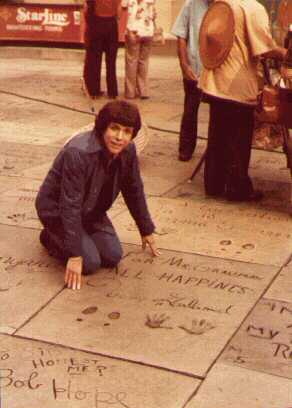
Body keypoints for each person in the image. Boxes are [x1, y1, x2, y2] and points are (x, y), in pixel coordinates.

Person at [35, 100, 160, 291]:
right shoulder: (78, 152)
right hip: (57, 210)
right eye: (114, 128)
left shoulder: (128, 150)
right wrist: (75, 254)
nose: (120, 137)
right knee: (90, 263)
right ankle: (50, 236)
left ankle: (76, 236)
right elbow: (70, 205)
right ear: (103, 128)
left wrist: (146, 228)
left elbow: (134, 189)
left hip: (91, 210)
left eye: (127, 131)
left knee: (113, 255)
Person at [199, 0, 287, 201]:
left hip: (215, 80)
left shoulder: (222, 2)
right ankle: (237, 188)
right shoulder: (252, 8)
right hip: (237, 84)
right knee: (238, 139)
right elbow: (263, 48)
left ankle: (213, 185)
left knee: (217, 135)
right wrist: (285, 54)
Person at [171, 0, 209, 162]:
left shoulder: (228, 5)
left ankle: (215, 152)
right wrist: (184, 65)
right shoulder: (191, 3)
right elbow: (181, 35)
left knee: (219, 115)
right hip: (194, 68)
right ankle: (186, 148)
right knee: (190, 110)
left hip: (218, 71)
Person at [83, 0, 121, 99]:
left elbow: (86, 9)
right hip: (112, 24)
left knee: (95, 60)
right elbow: (119, 11)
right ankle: (112, 92)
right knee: (111, 61)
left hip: (97, 22)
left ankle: (94, 91)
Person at [122, 0, 156, 99]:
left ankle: (130, 92)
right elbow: (154, 14)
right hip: (148, 31)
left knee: (131, 62)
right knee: (144, 62)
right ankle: (143, 91)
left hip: (133, 31)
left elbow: (122, 7)